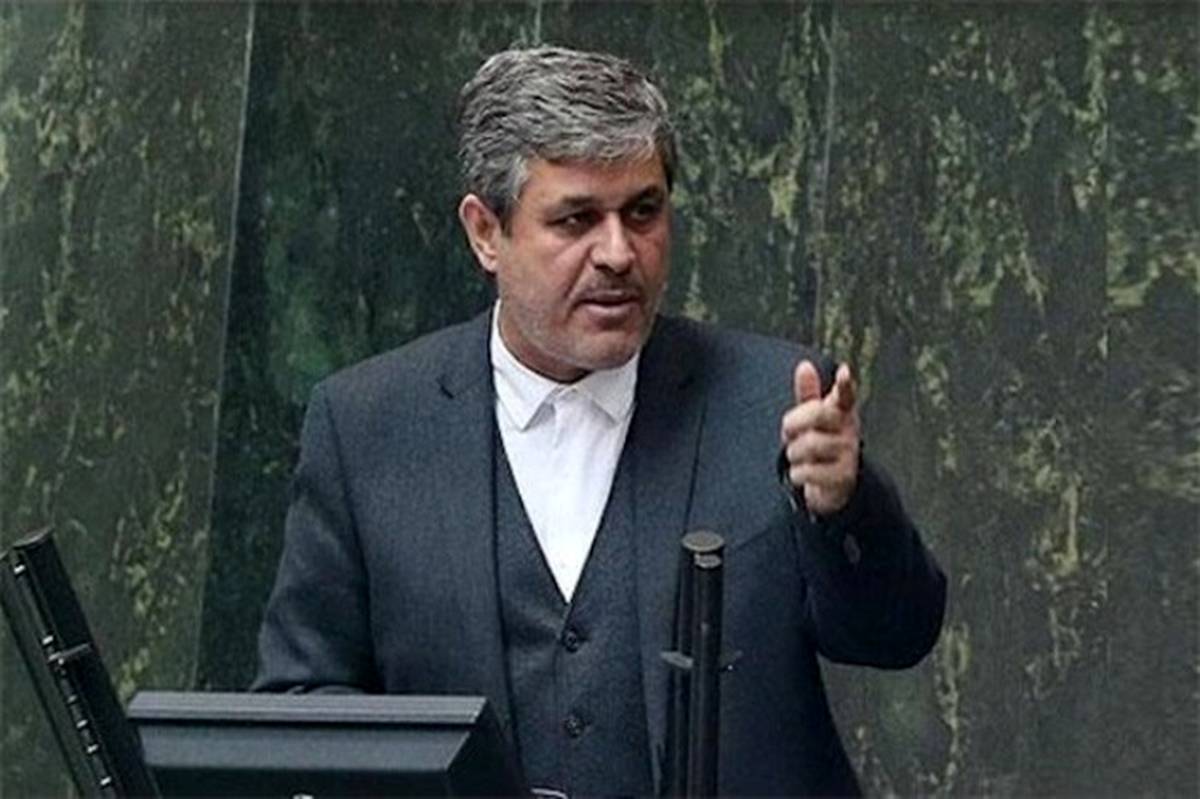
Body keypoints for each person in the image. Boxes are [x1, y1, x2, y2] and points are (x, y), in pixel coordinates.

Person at [254, 45, 946, 797]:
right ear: (485, 232)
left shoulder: (775, 403)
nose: (618, 253)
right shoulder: (368, 426)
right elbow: (305, 703)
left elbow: (895, 635)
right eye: (576, 219)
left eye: (643, 212)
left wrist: (845, 503)